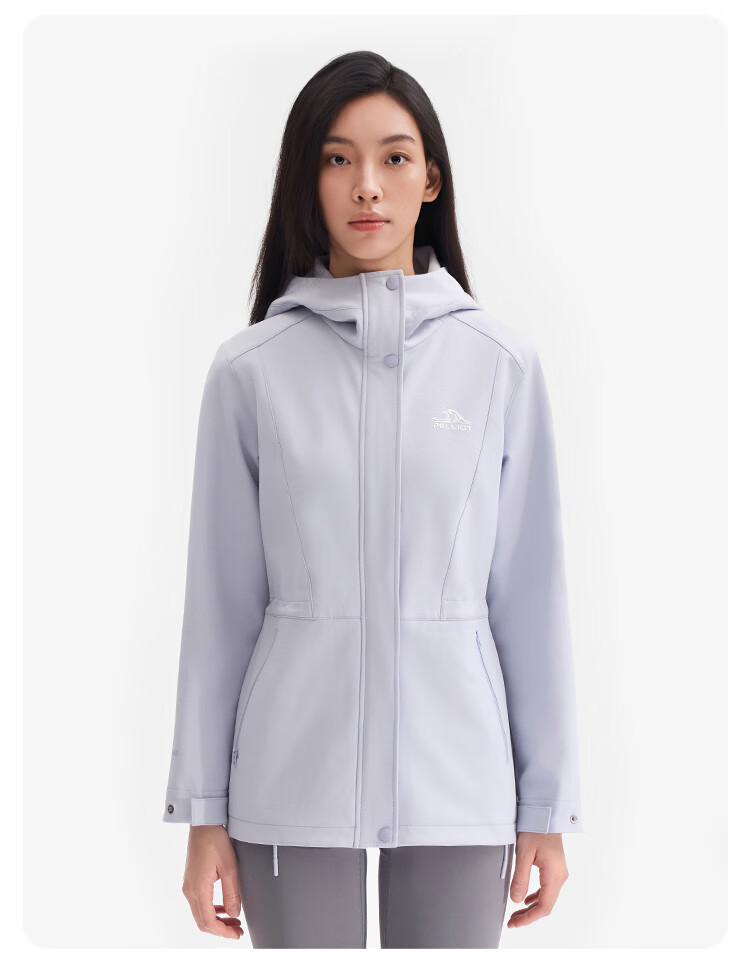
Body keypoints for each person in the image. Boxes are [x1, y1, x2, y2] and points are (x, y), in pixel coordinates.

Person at [162, 50, 584, 948]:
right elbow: (220, 607)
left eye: (394, 157)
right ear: (306, 179)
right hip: (289, 774)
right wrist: (203, 813)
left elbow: (529, 598)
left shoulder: (499, 366)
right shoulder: (251, 372)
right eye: (337, 158)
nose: (366, 185)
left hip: (459, 776)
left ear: (431, 179)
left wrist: (546, 805)